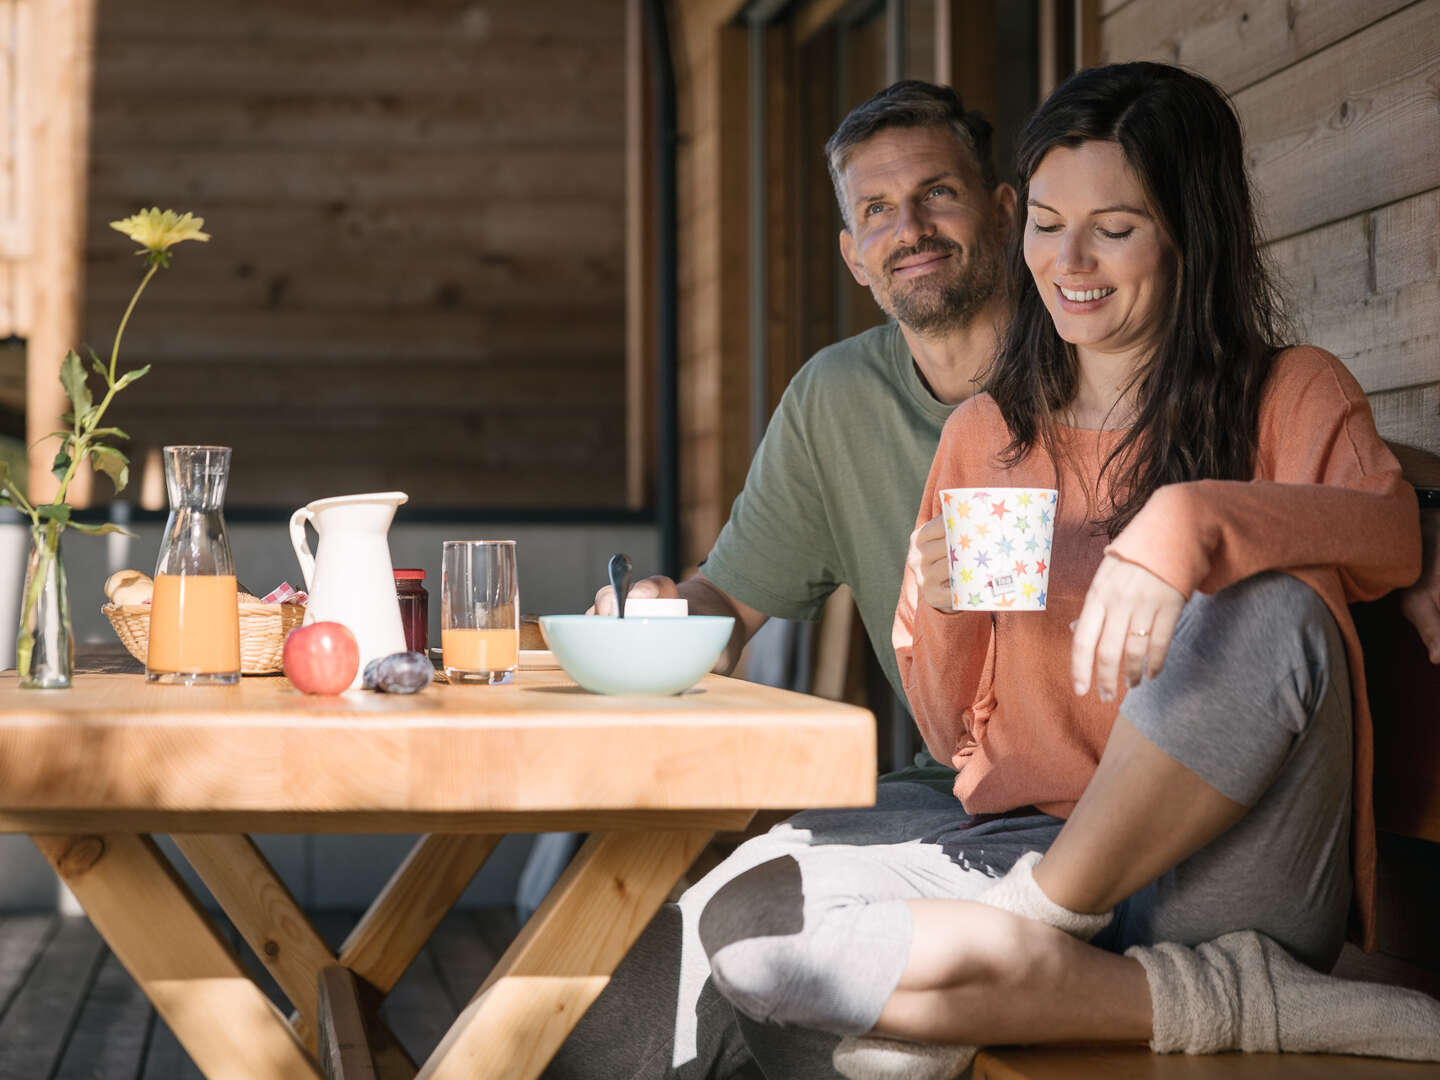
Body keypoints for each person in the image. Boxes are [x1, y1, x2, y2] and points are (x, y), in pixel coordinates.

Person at [680, 62, 1440, 1080]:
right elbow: (957, 739)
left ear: (1188, 231)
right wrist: (944, 609)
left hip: (1229, 878)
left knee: (1268, 606)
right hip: (1023, 845)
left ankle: (1031, 938)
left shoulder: (1289, 392)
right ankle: (1243, 1003)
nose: (1070, 260)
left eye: (1114, 229)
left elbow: (1390, 537)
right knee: (748, 931)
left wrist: (1199, 519)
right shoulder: (989, 435)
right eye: (1047, 222)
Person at [591, 81, 1015, 708]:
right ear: (853, 258)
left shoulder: (1092, 363)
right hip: (949, 781)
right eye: (876, 209)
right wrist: (668, 611)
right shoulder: (835, 396)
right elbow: (731, 603)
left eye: (938, 193)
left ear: (1004, 214)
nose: (911, 229)